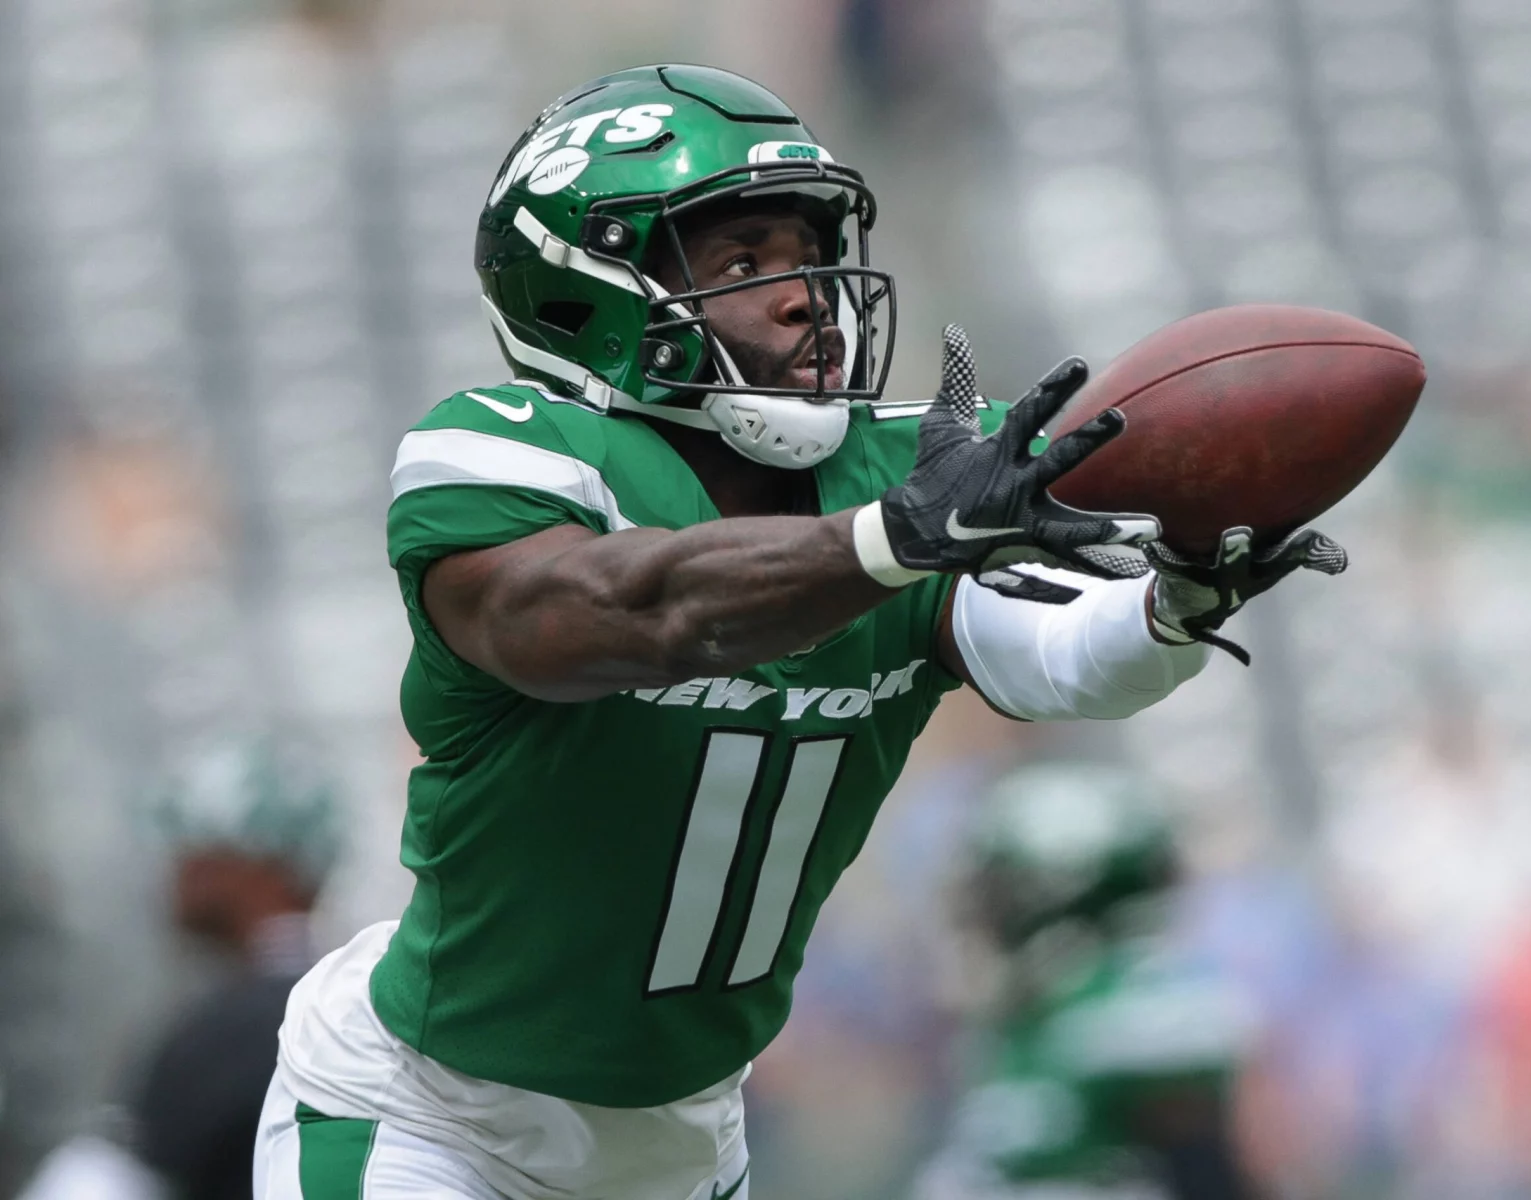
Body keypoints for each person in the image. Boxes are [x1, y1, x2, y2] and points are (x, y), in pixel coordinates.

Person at [254, 64, 1346, 1200]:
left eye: (806, 252)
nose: (805, 294)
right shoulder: (509, 452)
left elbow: (1064, 659)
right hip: (429, 1118)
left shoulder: (903, 471)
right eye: (743, 264)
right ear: (588, 294)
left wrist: (1177, 599)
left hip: (682, 1147)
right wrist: (886, 542)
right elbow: (604, 615)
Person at [915, 764, 1266, 1200]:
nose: (986, 917)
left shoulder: (1142, 1008)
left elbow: (1213, 1177)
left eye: (1001, 893)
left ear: (1066, 888)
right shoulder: (1030, 1019)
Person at [21, 739, 339, 1200]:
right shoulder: (335, 1002)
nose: (175, 868)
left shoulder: (236, 1026)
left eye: (195, 845)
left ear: (258, 863)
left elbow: (103, 1188)